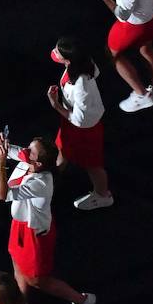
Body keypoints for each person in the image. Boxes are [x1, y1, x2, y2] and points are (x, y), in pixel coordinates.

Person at [0, 133, 98, 304]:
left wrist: (1, 163)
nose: (25, 151)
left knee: (37, 280)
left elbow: (2, 194)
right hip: (20, 225)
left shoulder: (41, 182)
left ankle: (83, 300)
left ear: (39, 163)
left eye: (31, 150)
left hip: (35, 235)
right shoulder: (31, 160)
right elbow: (7, 150)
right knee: (16, 261)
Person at [47, 37, 113, 209]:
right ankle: (48, 183)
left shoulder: (81, 84)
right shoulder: (82, 63)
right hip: (72, 121)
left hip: (85, 128)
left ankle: (103, 195)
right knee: (62, 150)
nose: (54, 52)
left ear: (68, 59)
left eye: (57, 51)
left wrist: (55, 105)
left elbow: (80, 119)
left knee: (92, 164)